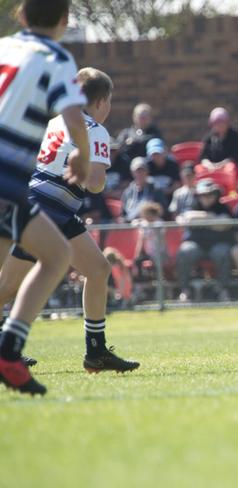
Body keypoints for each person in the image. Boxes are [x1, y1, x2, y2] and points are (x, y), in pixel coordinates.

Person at [0, 66, 139, 380]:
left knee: (9, 285)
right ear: (102, 101)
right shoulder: (95, 129)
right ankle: (95, 351)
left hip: (32, 200)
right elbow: (95, 183)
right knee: (98, 270)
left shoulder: (55, 122)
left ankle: (94, 351)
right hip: (53, 209)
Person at [0, 0, 90, 395]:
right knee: (57, 256)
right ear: (65, 21)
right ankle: (9, 349)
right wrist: (83, 155)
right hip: (5, 178)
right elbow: (74, 116)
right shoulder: (56, 57)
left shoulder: (3, 47)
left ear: (20, 15)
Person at [175, 179, 233, 302]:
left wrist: (200, 220)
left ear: (216, 195)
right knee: (185, 251)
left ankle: (223, 290)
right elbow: (185, 219)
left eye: (210, 194)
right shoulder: (192, 206)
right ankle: (185, 290)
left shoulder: (222, 208)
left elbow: (224, 224)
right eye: (203, 195)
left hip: (217, 244)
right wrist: (211, 218)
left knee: (222, 252)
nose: (206, 198)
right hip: (196, 244)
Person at [113, 102, 164, 176]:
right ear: (134, 117)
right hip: (128, 170)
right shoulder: (126, 133)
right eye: (140, 116)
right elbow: (118, 147)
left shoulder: (155, 133)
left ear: (150, 118)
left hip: (149, 172)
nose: (143, 118)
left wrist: (133, 142)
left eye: (145, 116)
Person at [199, 107, 238, 171]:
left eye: (222, 122)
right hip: (212, 167)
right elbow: (203, 157)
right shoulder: (209, 139)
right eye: (216, 123)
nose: (219, 125)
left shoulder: (236, 136)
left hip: (231, 169)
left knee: (230, 167)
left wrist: (223, 164)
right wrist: (209, 164)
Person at [121, 156, 167, 222]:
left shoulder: (156, 189)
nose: (140, 174)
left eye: (142, 171)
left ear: (147, 172)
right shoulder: (127, 192)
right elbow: (123, 214)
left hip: (150, 223)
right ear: (132, 173)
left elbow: (163, 211)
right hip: (132, 224)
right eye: (137, 171)